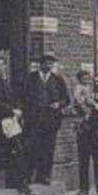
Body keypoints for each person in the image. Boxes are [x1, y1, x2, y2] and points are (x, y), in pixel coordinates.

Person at [21, 52, 71, 188]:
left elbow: (66, 99)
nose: (48, 65)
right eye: (46, 63)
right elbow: (23, 97)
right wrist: (26, 113)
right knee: (31, 148)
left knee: (48, 149)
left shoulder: (58, 80)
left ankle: (44, 176)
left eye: (51, 63)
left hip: (51, 121)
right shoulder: (31, 78)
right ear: (41, 64)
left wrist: (58, 104)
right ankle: (28, 176)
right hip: (33, 121)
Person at [0, 53, 30, 195]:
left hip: (11, 121)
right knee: (16, 150)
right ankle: (19, 183)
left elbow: (13, 98)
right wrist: (11, 110)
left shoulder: (5, 82)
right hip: (2, 122)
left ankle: (19, 182)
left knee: (19, 150)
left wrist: (17, 109)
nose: (1, 68)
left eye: (3, 65)